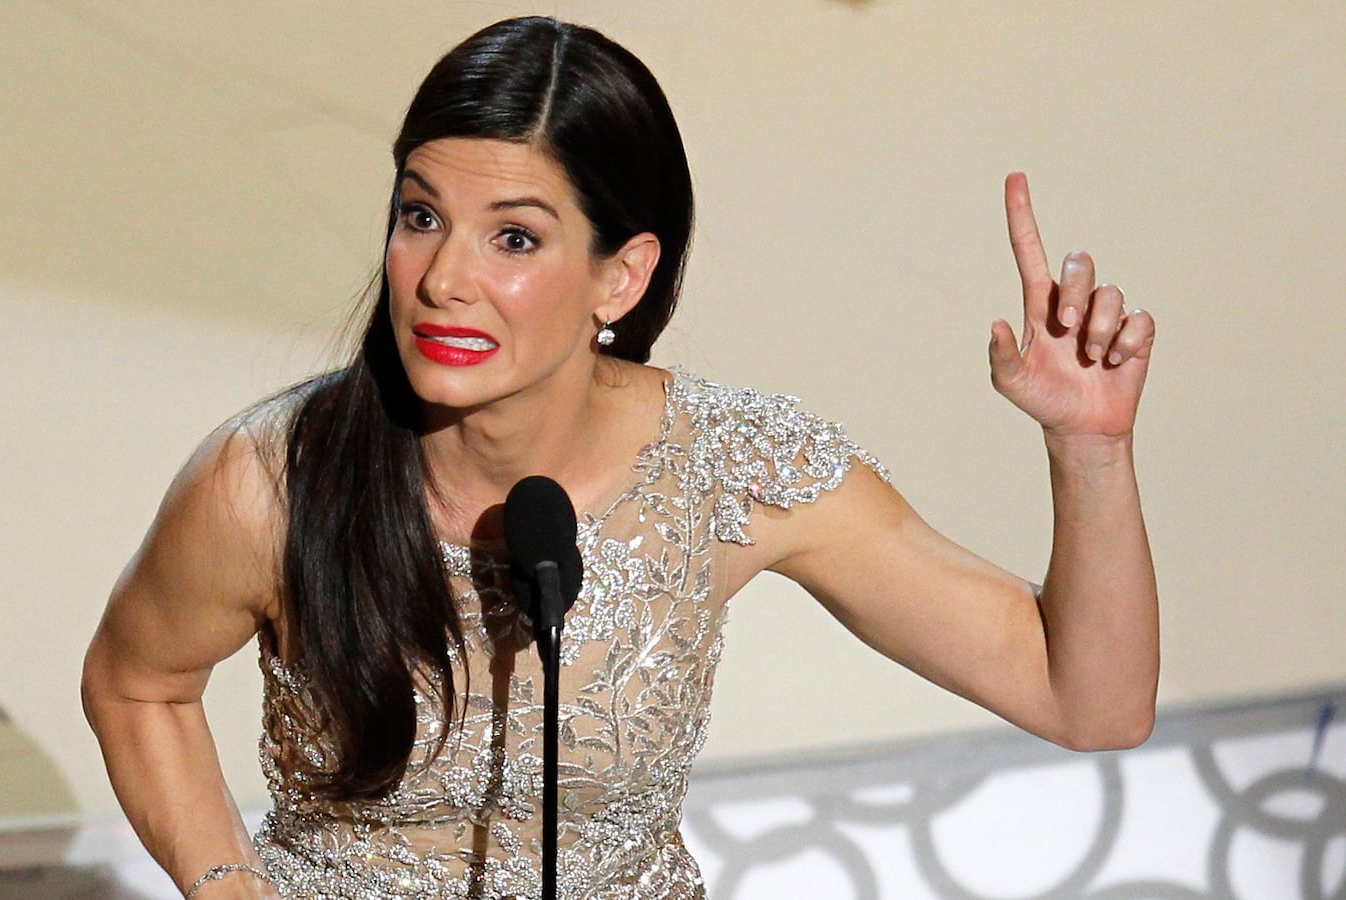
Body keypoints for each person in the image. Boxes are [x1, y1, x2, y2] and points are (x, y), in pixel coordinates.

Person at [81, 15, 1158, 900]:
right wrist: (225, 885)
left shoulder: (732, 467)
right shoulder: (273, 480)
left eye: (513, 237)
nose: (443, 279)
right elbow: (138, 685)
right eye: (420, 216)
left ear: (621, 276)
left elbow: (1090, 703)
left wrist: (1090, 449)